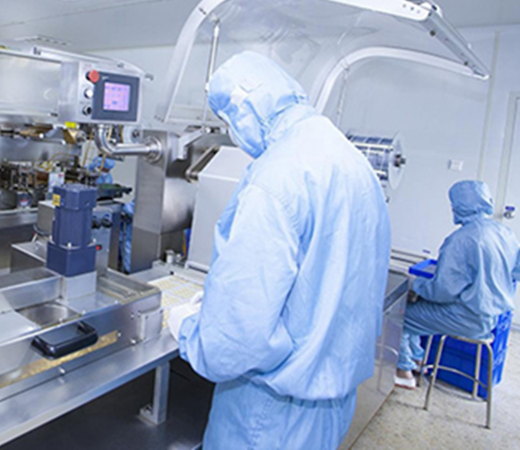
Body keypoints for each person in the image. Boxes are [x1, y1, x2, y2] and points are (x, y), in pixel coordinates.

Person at [168, 51, 391, 449]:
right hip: (333, 400)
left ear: (246, 107)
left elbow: (235, 340)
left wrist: (189, 328)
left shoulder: (275, 178)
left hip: (269, 414)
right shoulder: (353, 162)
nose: (232, 132)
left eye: (228, 120)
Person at [396, 180, 519, 388]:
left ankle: (404, 371)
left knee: (400, 314)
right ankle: (417, 361)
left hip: (465, 317)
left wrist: (415, 285)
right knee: (416, 312)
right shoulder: (505, 233)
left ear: (459, 206)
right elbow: (515, 272)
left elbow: (443, 291)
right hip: (490, 317)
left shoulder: (460, 240)